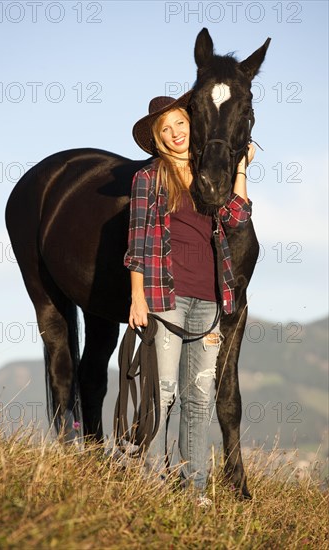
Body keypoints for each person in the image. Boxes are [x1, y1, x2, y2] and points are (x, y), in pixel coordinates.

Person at [124, 93, 255, 503]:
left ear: (191, 125)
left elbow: (238, 216)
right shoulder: (148, 179)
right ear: (158, 139)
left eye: (180, 124)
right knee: (162, 394)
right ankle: (149, 484)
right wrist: (137, 297)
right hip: (167, 298)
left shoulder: (207, 173)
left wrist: (238, 169)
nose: (175, 133)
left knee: (198, 399)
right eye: (166, 129)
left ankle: (194, 488)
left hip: (211, 299)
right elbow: (138, 243)